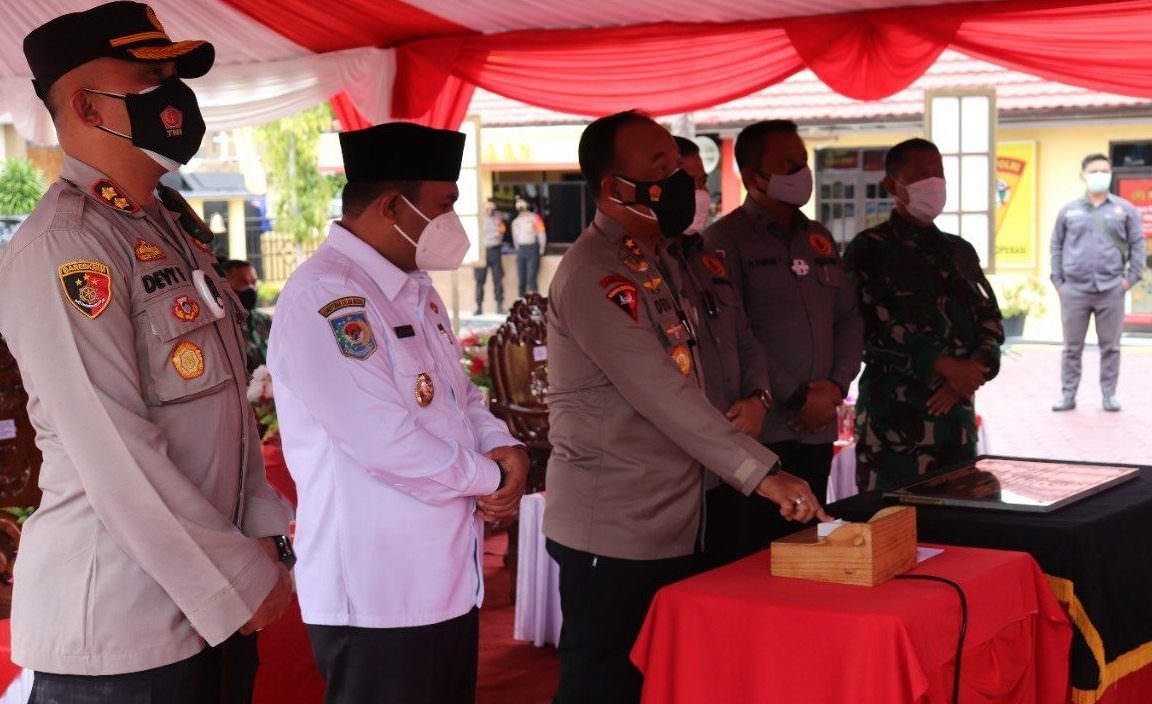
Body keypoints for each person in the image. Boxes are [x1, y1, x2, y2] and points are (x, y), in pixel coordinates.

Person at [0, 4, 295, 702]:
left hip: (207, 612)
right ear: (84, 104)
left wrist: (262, 539)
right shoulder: (66, 245)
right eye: (149, 76)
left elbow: (224, 414)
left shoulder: (166, 227)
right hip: (122, 631)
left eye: (173, 76)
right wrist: (238, 580)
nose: (174, 96)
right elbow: (113, 447)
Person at [545, 110, 828, 704]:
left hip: (675, 517)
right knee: (604, 684)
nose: (676, 180)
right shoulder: (597, 274)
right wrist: (763, 474)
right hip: (615, 529)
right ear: (611, 186)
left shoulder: (665, 260)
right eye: (659, 168)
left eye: (677, 167)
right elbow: (664, 394)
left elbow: (717, 363)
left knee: (667, 680)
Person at [267, 122, 529, 704]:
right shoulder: (327, 295)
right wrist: (491, 479)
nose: (453, 223)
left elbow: (459, 397)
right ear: (392, 205)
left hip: (445, 578)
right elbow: (385, 439)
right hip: (376, 591)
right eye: (445, 206)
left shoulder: (414, 287)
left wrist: (501, 446)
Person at [704, 120, 862, 532]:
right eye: (787, 164)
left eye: (803, 162)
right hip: (761, 434)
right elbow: (734, 335)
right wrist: (796, 395)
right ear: (754, 176)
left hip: (818, 427)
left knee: (810, 543)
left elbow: (848, 318)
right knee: (758, 554)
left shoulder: (819, 239)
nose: (800, 173)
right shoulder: (724, 241)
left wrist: (836, 388)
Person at [843, 138, 1005, 491]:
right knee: (892, 530)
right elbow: (872, 328)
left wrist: (972, 372)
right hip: (894, 430)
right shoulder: (870, 249)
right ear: (892, 185)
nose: (933, 182)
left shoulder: (959, 251)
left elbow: (990, 319)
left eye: (939, 174)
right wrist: (945, 367)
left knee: (959, 531)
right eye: (920, 175)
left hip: (956, 425)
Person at [671, 135, 774, 566]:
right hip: (682, 464)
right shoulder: (644, 265)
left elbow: (747, 337)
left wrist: (759, 399)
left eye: (703, 182)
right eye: (689, 182)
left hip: (735, 450)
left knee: (734, 573)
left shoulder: (710, 257)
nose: (701, 194)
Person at [1050, 153, 1146, 412]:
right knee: (1071, 348)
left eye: (1105, 170)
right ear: (1083, 175)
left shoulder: (1124, 209)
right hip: (1074, 290)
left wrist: (1130, 280)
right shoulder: (1068, 210)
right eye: (1094, 171)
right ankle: (1068, 395)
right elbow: (1056, 245)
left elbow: (1138, 244)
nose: (1100, 175)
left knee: (1111, 348)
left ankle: (1109, 395)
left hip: (1111, 289)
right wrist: (1059, 282)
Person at [222, 259, 272, 373]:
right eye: (243, 282)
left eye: (254, 282)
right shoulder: (221, 329)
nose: (251, 288)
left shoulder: (266, 321)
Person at [674, 136, 714, 235]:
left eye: (703, 181)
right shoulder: (634, 247)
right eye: (686, 184)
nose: (700, 194)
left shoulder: (709, 244)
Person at [474, 197, 506, 315]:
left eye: (492, 205)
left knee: (498, 279)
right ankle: (479, 307)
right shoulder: (479, 217)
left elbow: (502, 231)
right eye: (488, 205)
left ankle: (499, 306)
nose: (490, 208)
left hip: (495, 250)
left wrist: (497, 233)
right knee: (479, 280)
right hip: (482, 251)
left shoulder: (498, 217)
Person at [512, 198, 546, 298]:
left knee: (531, 278)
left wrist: (542, 248)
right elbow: (515, 238)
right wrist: (518, 249)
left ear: (527, 205)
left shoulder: (535, 218)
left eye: (522, 205)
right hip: (521, 250)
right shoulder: (515, 222)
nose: (520, 207)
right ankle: (521, 303)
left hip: (532, 249)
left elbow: (541, 233)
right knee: (521, 279)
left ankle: (535, 304)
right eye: (518, 205)